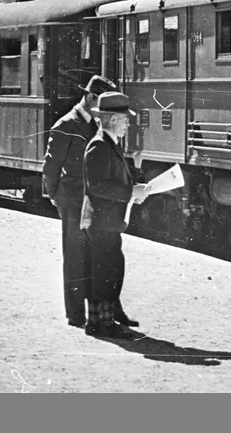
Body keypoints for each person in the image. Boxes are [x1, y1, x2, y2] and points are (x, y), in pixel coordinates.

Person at [43, 75, 121, 329]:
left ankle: (104, 311)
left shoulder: (98, 126)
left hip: (93, 201)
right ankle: (75, 315)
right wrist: (57, 198)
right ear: (89, 99)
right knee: (75, 258)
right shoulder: (66, 124)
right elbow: (50, 168)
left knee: (96, 257)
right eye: (100, 104)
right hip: (73, 200)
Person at [81, 91, 149, 338]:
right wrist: (130, 191)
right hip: (100, 220)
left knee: (112, 267)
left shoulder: (110, 144)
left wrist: (134, 188)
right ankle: (100, 323)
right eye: (125, 119)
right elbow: (96, 187)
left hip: (108, 220)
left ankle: (109, 316)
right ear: (111, 120)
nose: (128, 124)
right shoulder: (99, 146)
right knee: (104, 271)